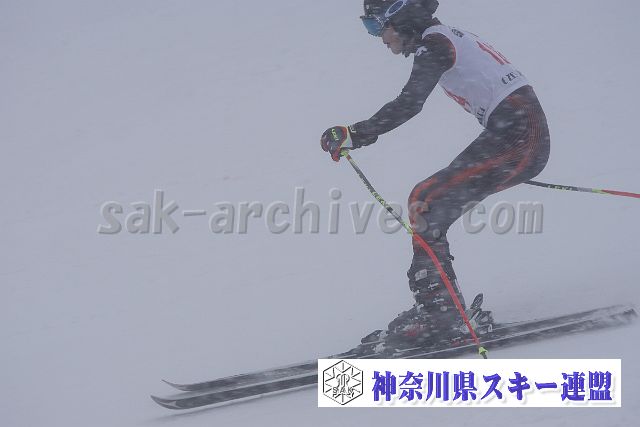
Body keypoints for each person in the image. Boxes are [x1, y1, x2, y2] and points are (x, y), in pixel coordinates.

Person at [320, 0, 550, 347]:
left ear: (399, 16)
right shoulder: (442, 38)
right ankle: (439, 309)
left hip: (519, 135)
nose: (380, 38)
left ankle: (441, 315)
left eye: (375, 26)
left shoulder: (435, 43)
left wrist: (355, 134)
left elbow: (410, 102)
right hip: (517, 133)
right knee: (428, 201)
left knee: (426, 200)